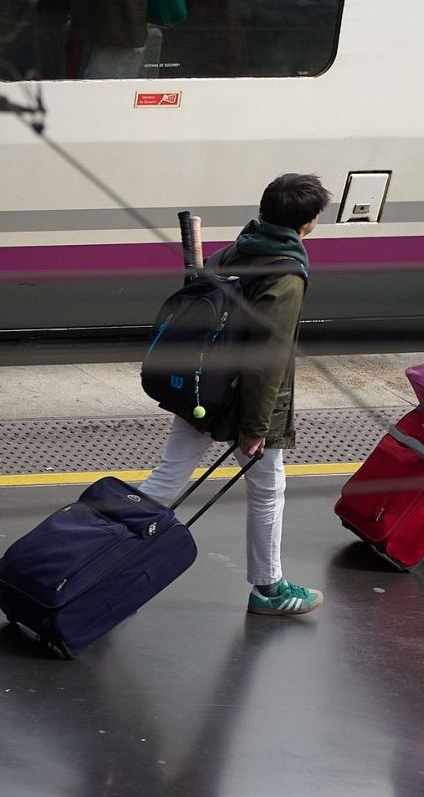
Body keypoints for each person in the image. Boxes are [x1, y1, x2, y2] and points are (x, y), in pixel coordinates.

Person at [136, 173, 331, 615]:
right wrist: (256, 427)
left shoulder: (238, 248)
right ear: (308, 223)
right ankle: (269, 588)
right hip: (239, 399)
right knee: (267, 489)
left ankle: (96, 551)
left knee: (165, 481)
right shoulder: (286, 275)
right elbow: (268, 356)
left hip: (201, 385)